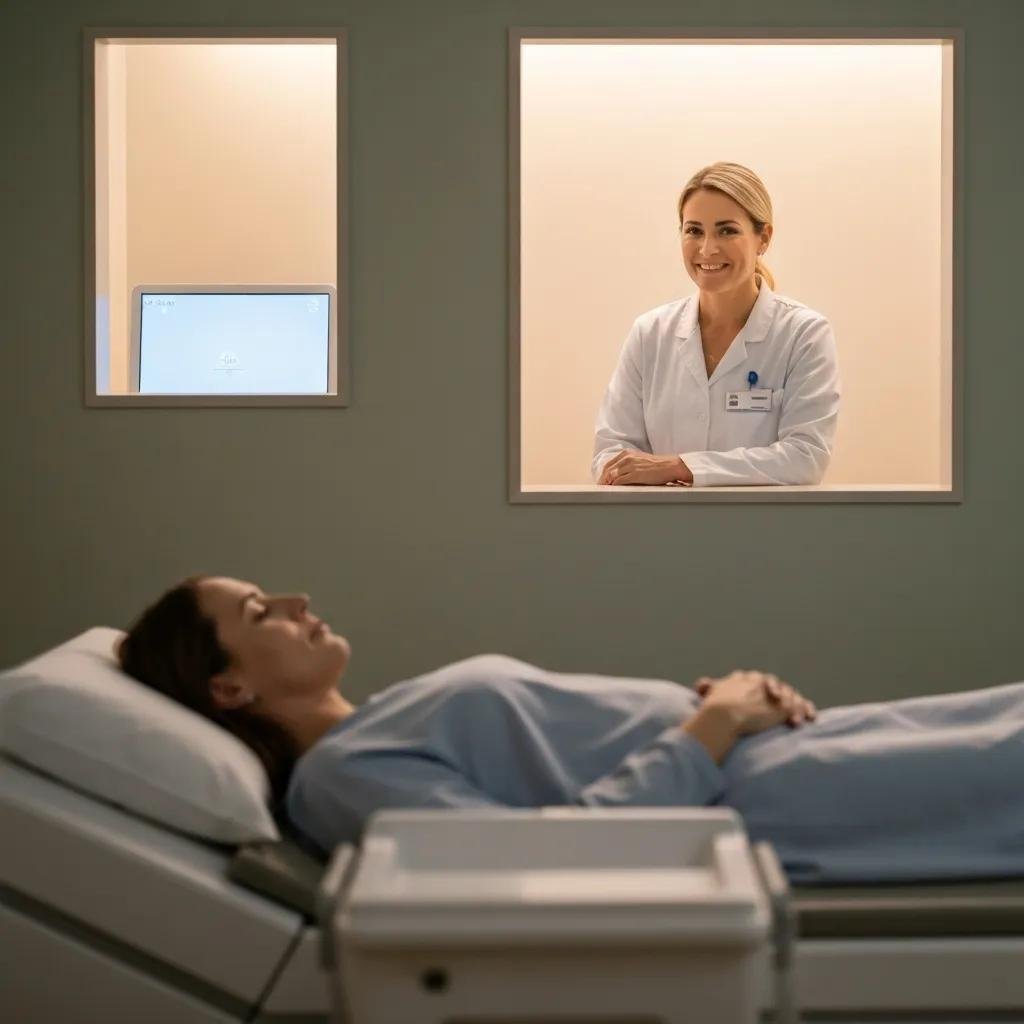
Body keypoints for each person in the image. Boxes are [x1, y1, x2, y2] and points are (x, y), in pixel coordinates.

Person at [120, 575, 1024, 885]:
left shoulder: (379, 722)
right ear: (228, 686)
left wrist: (724, 710)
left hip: (776, 752)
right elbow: (544, 862)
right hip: (765, 802)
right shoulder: (339, 782)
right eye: (257, 610)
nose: (295, 602)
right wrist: (707, 728)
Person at [593, 162, 841, 487]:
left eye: (727, 230)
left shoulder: (803, 334)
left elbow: (805, 457)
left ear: (763, 238)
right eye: (694, 230)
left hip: (766, 532)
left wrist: (682, 467)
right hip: (659, 531)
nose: (707, 248)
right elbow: (610, 455)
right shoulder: (649, 333)